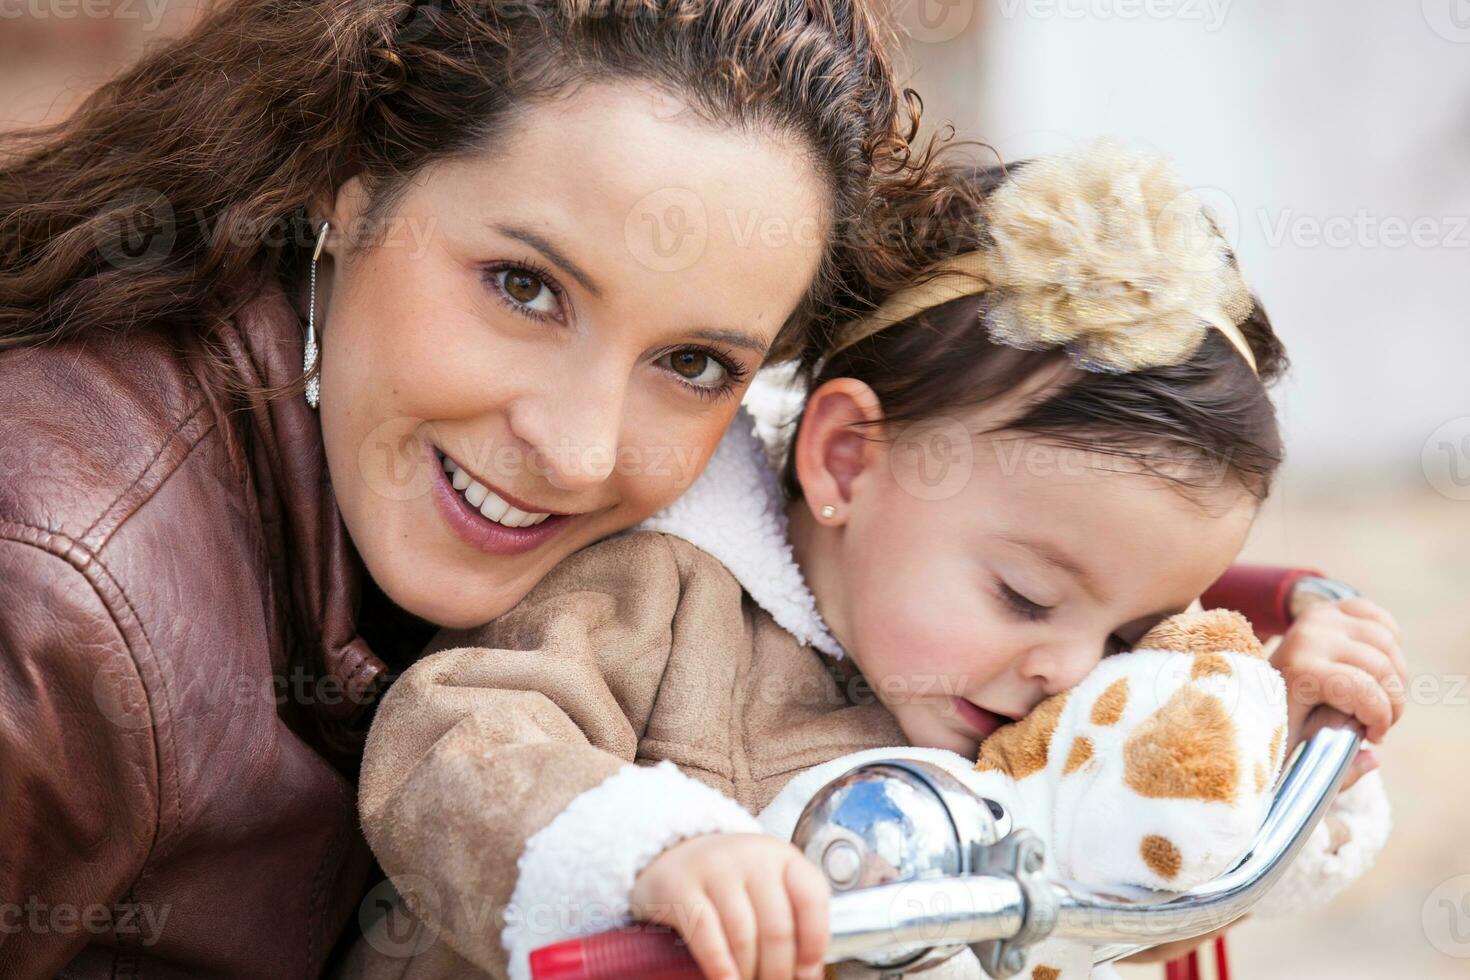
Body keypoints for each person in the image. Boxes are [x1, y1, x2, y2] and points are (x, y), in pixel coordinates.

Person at [0, 0, 940, 975]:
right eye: (525, 287)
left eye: (694, 362)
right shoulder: (53, 588)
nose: (579, 452)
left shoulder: (677, 598)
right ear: (351, 193)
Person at [347, 139, 1405, 980]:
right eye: (1023, 593)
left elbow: (1107, 894)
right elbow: (455, 740)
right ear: (847, 461)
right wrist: (654, 853)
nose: (1075, 671)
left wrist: (1282, 741)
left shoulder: (1042, 711)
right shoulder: (663, 589)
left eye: (1131, 631)